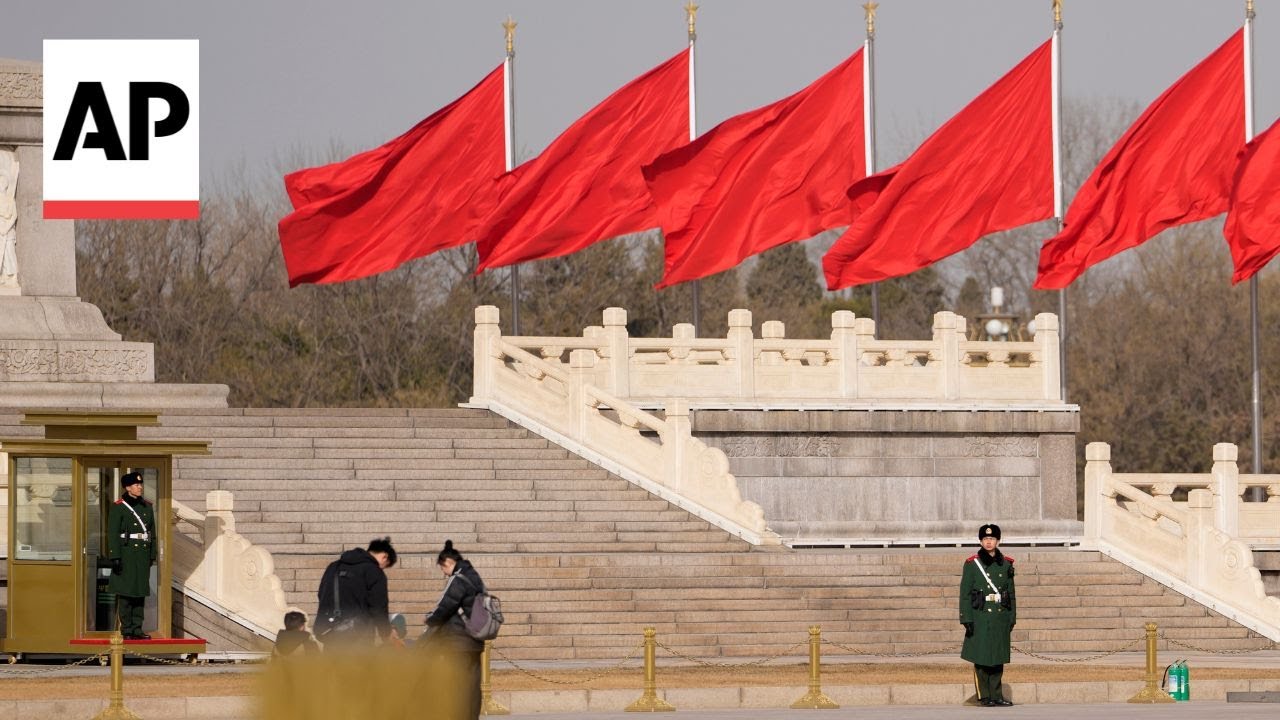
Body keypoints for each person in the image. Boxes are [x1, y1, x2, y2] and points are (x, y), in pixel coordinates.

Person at [421, 539, 485, 720]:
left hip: (458, 641)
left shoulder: (458, 578)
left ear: (448, 562)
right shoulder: (475, 576)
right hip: (475, 639)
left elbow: (446, 605)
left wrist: (430, 619)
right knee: (472, 684)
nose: (444, 572)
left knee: (457, 684)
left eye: (443, 568)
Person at [960, 523, 1017, 707]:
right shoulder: (972, 564)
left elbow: (1011, 593)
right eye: (985, 539)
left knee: (997, 659)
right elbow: (965, 593)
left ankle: (997, 695)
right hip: (980, 616)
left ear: (998, 541)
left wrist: (1011, 617)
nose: (989, 542)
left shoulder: (1006, 563)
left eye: (992, 539)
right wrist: (966, 618)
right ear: (980, 541)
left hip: (999, 616)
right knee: (982, 659)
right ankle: (984, 696)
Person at [315, 536, 397, 648]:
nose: (382, 568)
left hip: (331, 633)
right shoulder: (373, 571)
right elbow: (378, 607)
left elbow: (321, 594)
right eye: (385, 566)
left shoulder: (333, 567)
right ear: (384, 557)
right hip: (359, 637)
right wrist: (386, 633)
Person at [106, 471, 157, 640]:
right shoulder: (119, 507)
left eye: (141, 484)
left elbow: (152, 533)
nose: (140, 487)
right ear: (128, 487)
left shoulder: (147, 506)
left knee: (139, 593)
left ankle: (137, 629)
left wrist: (152, 554)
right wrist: (115, 556)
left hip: (142, 555)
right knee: (127, 593)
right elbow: (112, 533)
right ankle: (127, 629)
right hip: (126, 554)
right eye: (136, 485)